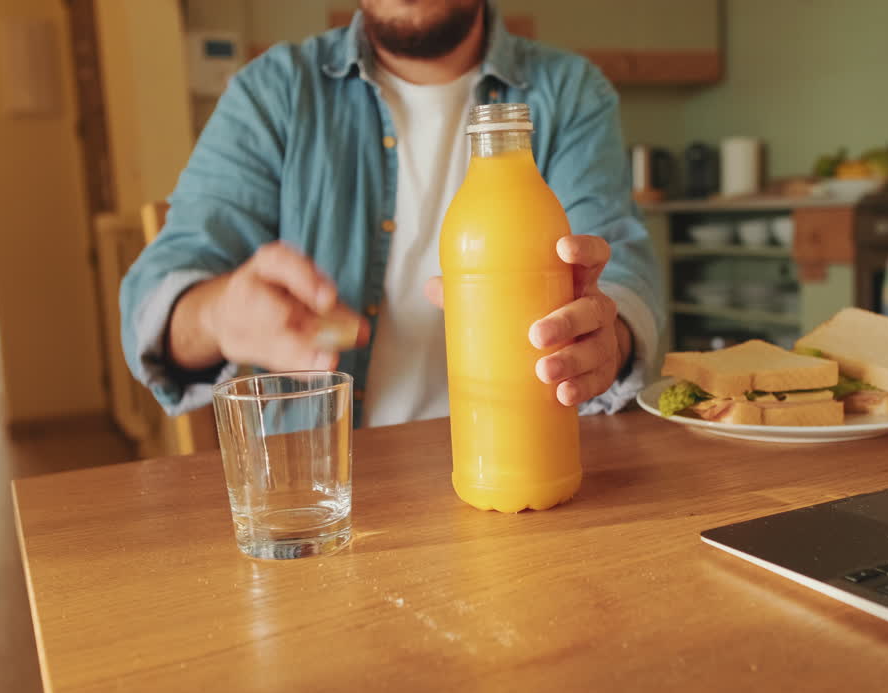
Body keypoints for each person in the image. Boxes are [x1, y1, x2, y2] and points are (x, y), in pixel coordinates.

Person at [120, 0, 664, 428]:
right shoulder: (274, 91)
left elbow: (615, 266)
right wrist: (217, 316)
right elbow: (156, 294)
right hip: (329, 495)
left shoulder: (570, 93)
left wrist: (605, 337)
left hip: (528, 472)